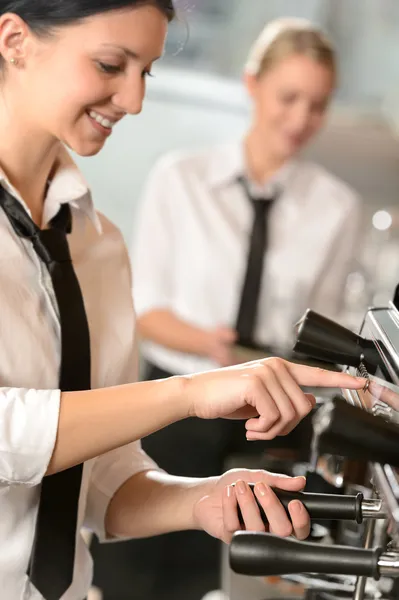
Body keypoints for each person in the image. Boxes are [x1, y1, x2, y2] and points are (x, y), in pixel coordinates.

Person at [0, 2, 366, 600]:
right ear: (15, 41)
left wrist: (202, 501)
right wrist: (189, 392)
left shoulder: (99, 245)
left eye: (146, 72)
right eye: (111, 63)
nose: (134, 101)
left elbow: (99, 481)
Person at [131, 16, 363, 599]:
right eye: (289, 97)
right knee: (147, 577)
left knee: (247, 581)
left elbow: (327, 331)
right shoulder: (179, 178)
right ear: (252, 83)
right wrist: (212, 347)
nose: (301, 119)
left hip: (274, 420)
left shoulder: (338, 207)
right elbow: (144, 312)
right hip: (175, 411)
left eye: (317, 104)